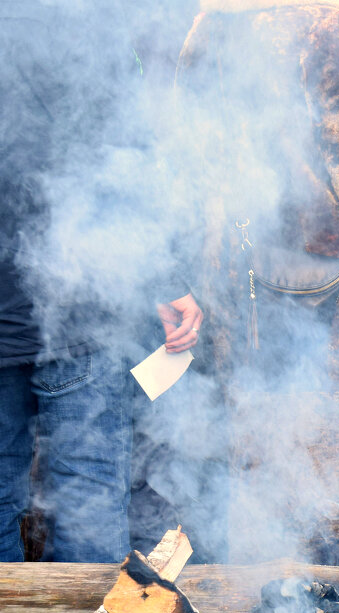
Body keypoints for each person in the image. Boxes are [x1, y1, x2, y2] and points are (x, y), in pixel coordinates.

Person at [174, 0, 339, 566]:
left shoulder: (209, 31)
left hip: (238, 307)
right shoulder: (324, 29)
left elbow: (187, 174)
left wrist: (188, 282)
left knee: (269, 504)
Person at [0, 1, 203, 563]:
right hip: (81, 309)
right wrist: (164, 277)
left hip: (53, 308)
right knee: (87, 490)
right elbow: (125, 161)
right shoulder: (91, 26)